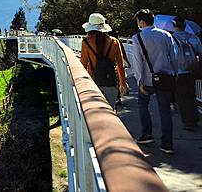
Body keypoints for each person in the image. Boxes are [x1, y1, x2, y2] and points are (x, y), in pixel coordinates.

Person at [132, 9, 177, 154]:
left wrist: (139, 80)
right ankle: (167, 144)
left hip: (147, 80)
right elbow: (174, 57)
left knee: (143, 105)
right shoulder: (166, 35)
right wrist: (173, 74)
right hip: (165, 78)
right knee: (165, 111)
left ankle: (147, 134)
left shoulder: (137, 37)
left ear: (142, 22)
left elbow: (137, 61)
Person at [80, 13, 128, 110]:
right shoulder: (114, 41)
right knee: (110, 112)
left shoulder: (86, 42)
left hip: (93, 82)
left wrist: (81, 84)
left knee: (97, 112)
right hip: (111, 82)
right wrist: (123, 83)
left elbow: (83, 65)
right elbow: (120, 65)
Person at [172, 15, 202, 131]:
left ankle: (187, 122)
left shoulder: (171, 38)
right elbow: (200, 52)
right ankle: (194, 118)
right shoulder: (193, 38)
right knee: (192, 94)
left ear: (174, 25)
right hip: (193, 70)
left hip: (179, 72)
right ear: (185, 25)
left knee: (181, 96)